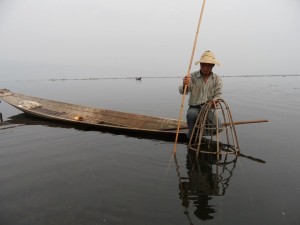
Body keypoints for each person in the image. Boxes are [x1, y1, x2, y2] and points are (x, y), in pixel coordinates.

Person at [179, 50, 223, 139]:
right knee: (192, 115)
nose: (205, 67)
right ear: (200, 65)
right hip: (194, 107)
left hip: (207, 108)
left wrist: (214, 101)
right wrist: (185, 84)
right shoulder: (192, 76)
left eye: (208, 65)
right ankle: (191, 136)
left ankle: (199, 131)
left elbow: (218, 94)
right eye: (203, 64)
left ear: (212, 66)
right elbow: (183, 91)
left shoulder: (217, 79)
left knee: (218, 127)